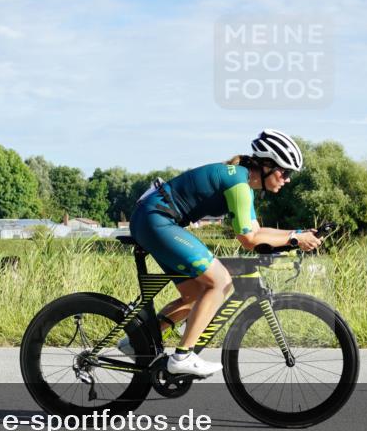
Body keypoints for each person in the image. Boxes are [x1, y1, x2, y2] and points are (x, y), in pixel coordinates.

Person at [120, 129, 321, 378]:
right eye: (285, 172)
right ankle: (182, 357)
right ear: (267, 165)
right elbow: (248, 240)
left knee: (195, 296)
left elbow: (257, 231)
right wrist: (295, 238)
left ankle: (137, 340)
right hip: (157, 220)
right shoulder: (238, 183)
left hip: (154, 220)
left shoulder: (242, 182)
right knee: (221, 281)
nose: (287, 179)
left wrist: (298, 233)